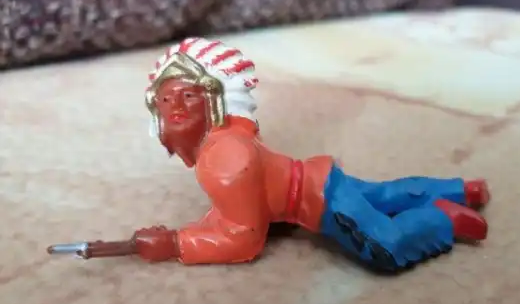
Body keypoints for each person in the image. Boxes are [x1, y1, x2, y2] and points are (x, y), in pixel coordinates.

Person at [134, 37, 490, 274]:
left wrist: (176, 244)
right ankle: (460, 189)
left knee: (387, 247)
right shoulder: (225, 142)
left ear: (213, 99)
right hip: (320, 179)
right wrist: (187, 233)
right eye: (166, 99)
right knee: (381, 196)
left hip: (320, 202)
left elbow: (244, 240)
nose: (175, 107)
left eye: (189, 96)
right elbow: (233, 207)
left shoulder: (223, 159)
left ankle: (445, 218)